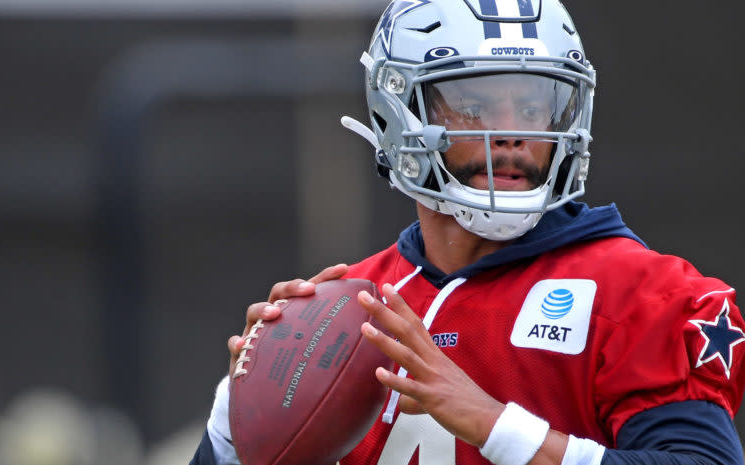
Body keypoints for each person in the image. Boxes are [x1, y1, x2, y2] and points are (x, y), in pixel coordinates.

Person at [191, 0, 745, 464]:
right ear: (399, 112)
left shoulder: (648, 296)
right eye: (473, 106)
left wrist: (496, 426)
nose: (510, 134)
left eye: (533, 106)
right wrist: (238, 418)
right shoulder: (355, 305)